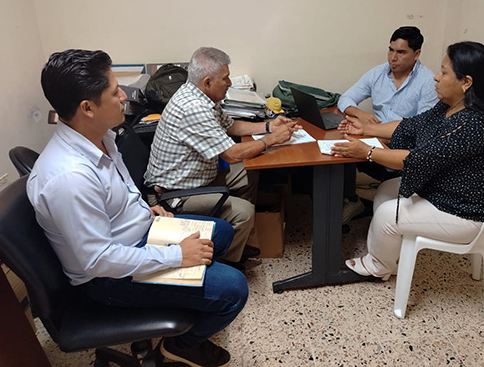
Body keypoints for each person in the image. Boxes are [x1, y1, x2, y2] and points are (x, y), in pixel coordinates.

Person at [27, 49, 247, 367]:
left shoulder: (101, 137)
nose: (124, 97)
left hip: (136, 234)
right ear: (87, 108)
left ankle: (187, 294)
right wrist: (177, 256)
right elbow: (99, 261)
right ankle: (181, 346)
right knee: (234, 289)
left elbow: (117, 194)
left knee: (222, 231)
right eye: (115, 91)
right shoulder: (69, 178)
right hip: (108, 278)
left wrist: (144, 210)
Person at [332, 41, 484, 280]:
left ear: (466, 82)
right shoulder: (449, 107)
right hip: (446, 189)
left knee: (386, 214)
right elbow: (410, 126)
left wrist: (367, 152)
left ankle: (378, 266)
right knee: (386, 190)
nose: (436, 77)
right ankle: (387, 259)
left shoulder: (477, 124)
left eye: (444, 72)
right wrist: (365, 129)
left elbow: (417, 160)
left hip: (467, 210)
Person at [145, 47, 300, 268]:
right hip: (175, 195)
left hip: (195, 177)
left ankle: (236, 238)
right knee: (244, 212)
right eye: (225, 78)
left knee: (250, 171)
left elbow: (231, 126)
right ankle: (226, 260)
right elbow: (232, 154)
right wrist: (272, 139)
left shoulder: (201, 95)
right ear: (208, 82)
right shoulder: (194, 108)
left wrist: (268, 126)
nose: (229, 82)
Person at [337, 26, 439, 225]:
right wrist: (361, 114)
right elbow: (345, 98)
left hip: (402, 149)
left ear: (416, 54)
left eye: (401, 52)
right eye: (391, 50)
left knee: (349, 146)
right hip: (374, 137)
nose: (393, 57)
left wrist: (377, 135)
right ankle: (350, 200)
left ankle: (364, 203)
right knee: (341, 143)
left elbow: (421, 130)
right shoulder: (378, 73)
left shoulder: (428, 83)